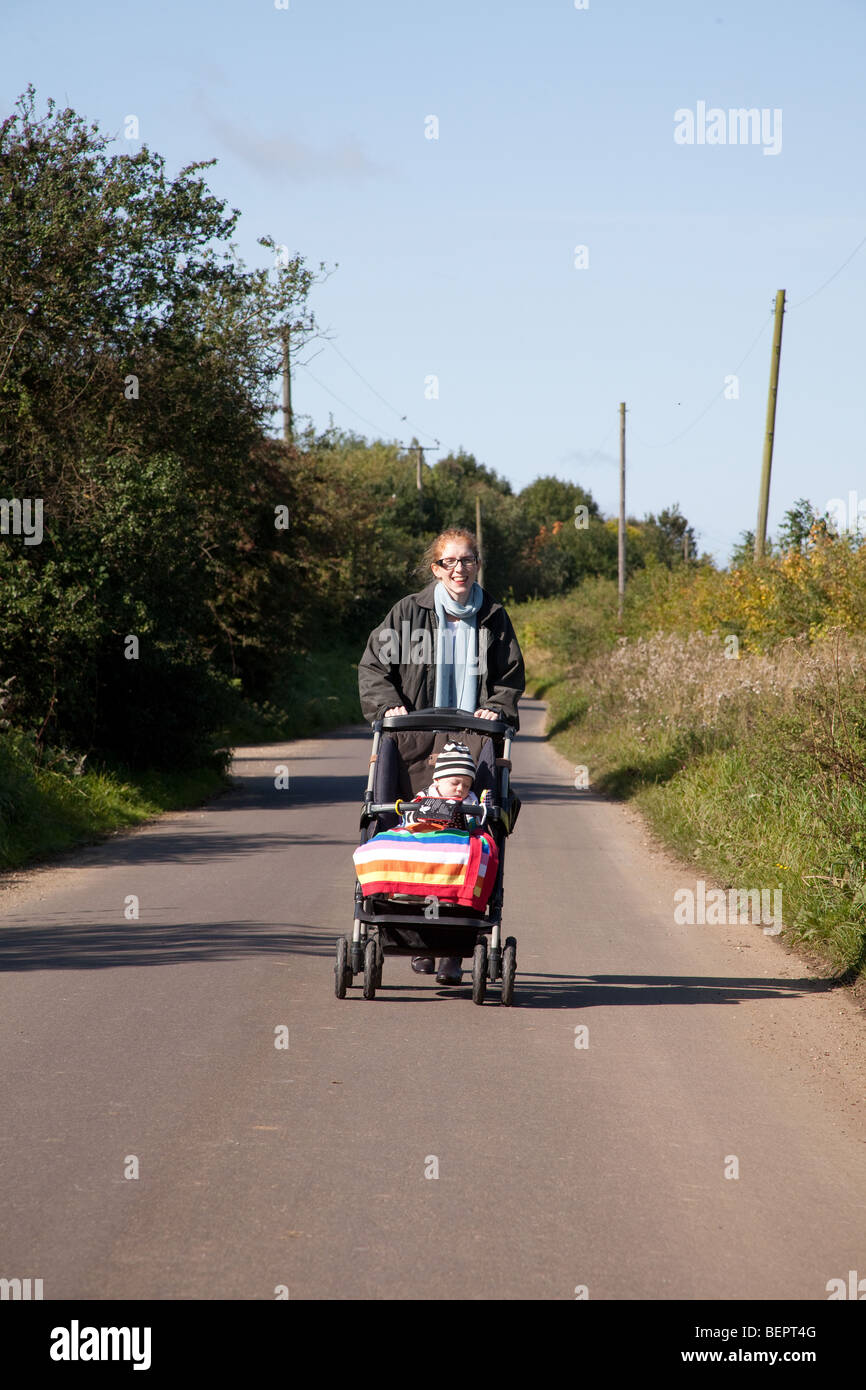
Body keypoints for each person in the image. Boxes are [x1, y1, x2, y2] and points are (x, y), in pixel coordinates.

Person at [358, 528, 525, 983]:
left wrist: (496, 707)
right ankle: (415, 933)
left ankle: (454, 946)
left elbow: (509, 677)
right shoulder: (408, 613)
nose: (459, 569)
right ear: (436, 568)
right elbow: (374, 666)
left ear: (477, 565)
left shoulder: (493, 617)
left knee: (465, 832)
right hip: (415, 738)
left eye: (467, 560)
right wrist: (387, 705)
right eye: (450, 561)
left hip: (471, 738)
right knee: (420, 831)